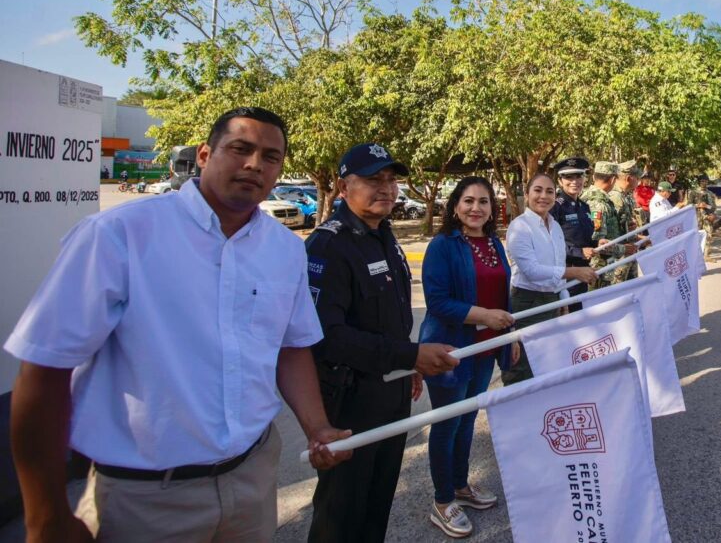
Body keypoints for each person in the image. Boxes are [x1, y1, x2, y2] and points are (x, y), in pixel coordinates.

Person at [4, 107, 351, 542]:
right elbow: (44, 370)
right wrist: (44, 515)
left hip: (252, 480)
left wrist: (317, 427)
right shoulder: (118, 234)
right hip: (143, 498)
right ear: (204, 155)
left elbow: (291, 346)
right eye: (240, 149)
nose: (254, 165)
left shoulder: (285, 249)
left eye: (270, 157)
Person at [305, 143, 459, 543]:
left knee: (378, 501)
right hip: (349, 399)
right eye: (374, 179)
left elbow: (391, 317)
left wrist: (406, 365)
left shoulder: (384, 235)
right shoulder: (329, 244)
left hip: (391, 389)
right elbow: (327, 337)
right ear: (343, 187)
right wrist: (410, 356)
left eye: (391, 180)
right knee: (342, 511)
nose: (387, 188)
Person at [419, 176, 516, 538]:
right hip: (451, 350)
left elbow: (502, 293)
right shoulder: (443, 245)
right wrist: (485, 316)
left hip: (486, 349)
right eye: (468, 201)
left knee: (468, 419)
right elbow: (438, 302)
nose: (476, 208)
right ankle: (442, 501)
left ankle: (460, 486)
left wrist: (508, 335)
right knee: (447, 424)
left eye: (484, 201)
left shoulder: (493, 243)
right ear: (455, 205)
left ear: (492, 208)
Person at [502, 172, 597, 385]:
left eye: (549, 191)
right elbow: (532, 271)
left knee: (547, 363)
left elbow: (557, 263)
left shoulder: (555, 226)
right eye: (538, 190)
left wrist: (563, 299)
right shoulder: (519, 226)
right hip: (527, 302)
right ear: (527, 194)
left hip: (552, 301)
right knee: (523, 367)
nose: (543, 196)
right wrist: (574, 273)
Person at [550, 157, 598, 312]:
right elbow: (550, 243)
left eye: (578, 176)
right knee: (567, 316)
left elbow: (587, 236)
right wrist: (579, 252)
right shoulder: (555, 207)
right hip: (566, 272)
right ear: (560, 181)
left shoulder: (584, 207)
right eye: (568, 177)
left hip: (583, 270)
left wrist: (598, 243)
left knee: (580, 312)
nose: (574, 181)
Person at [581, 162, 634, 289]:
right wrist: (623, 249)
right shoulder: (599, 204)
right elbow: (597, 243)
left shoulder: (587, 197)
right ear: (613, 180)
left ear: (594, 177)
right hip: (598, 269)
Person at [608, 160, 640, 283]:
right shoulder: (615, 196)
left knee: (631, 287)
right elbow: (611, 230)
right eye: (637, 177)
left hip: (628, 250)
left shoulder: (626, 195)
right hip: (620, 253)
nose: (639, 181)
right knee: (619, 288)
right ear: (628, 178)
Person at [687, 174, 718, 262]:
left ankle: (706, 255)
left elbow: (713, 207)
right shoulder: (693, 192)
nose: (703, 183)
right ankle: (695, 256)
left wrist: (706, 206)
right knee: (696, 236)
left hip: (707, 218)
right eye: (702, 181)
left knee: (708, 235)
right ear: (699, 182)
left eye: (705, 181)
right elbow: (688, 205)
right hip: (696, 218)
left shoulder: (710, 193)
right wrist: (698, 205)